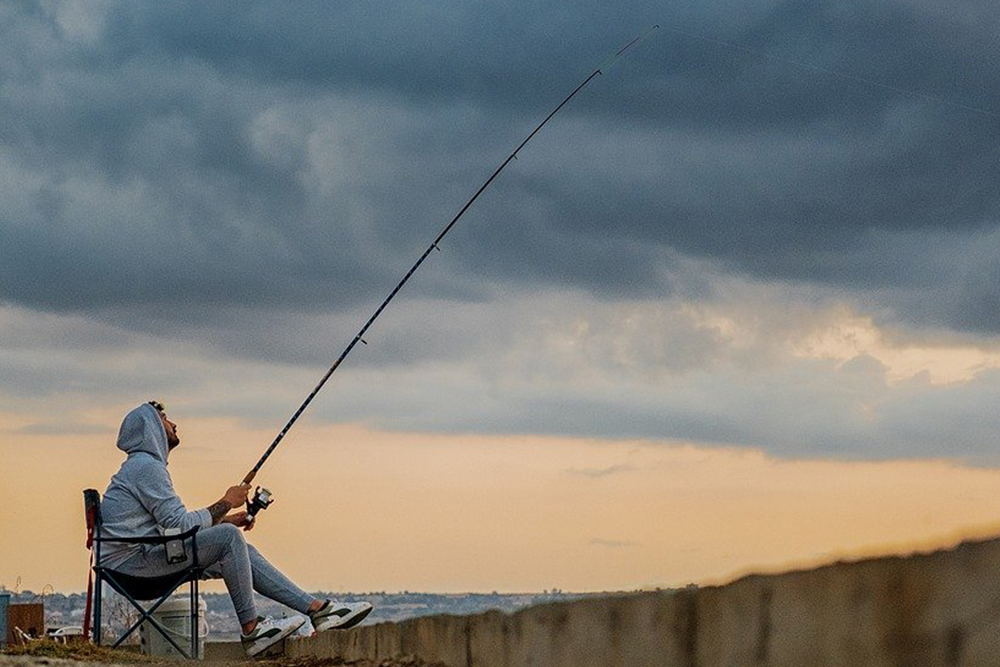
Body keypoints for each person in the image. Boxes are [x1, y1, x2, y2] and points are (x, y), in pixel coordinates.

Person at [99, 401, 372, 656]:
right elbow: (180, 525)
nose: (173, 424)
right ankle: (252, 631)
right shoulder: (146, 468)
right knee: (229, 540)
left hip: (137, 562)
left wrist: (227, 519)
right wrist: (226, 502)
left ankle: (317, 611)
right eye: (165, 419)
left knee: (239, 547)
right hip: (132, 569)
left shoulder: (143, 468)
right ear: (152, 428)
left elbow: (172, 527)